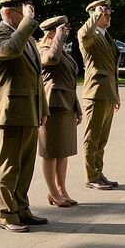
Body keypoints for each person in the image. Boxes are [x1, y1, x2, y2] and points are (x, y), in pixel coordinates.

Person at [0, 0, 48, 232]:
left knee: (25, 165)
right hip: (12, 110)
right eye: (22, 12)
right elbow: (10, 50)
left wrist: (42, 108)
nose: (28, 16)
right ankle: (6, 213)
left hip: (30, 109)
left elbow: (37, 77)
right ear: (7, 13)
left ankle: (22, 208)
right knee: (10, 165)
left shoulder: (29, 39)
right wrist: (26, 24)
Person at [37, 15, 82, 207]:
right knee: (50, 152)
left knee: (63, 151)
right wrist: (57, 39)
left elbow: (71, 81)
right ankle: (52, 191)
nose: (66, 33)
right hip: (52, 106)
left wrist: (77, 107)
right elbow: (51, 59)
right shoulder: (43, 49)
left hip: (67, 105)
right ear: (52, 32)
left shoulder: (62, 51)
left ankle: (61, 189)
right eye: (63, 30)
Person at [78, 0, 121, 190]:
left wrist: (116, 95)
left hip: (107, 93)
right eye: (105, 13)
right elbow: (83, 34)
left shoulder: (106, 36)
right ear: (94, 15)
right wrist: (95, 16)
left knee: (102, 139)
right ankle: (91, 177)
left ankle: (98, 172)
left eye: (109, 13)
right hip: (95, 93)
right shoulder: (90, 35)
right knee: (92, 137)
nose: (108, 16)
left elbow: (112, 69)